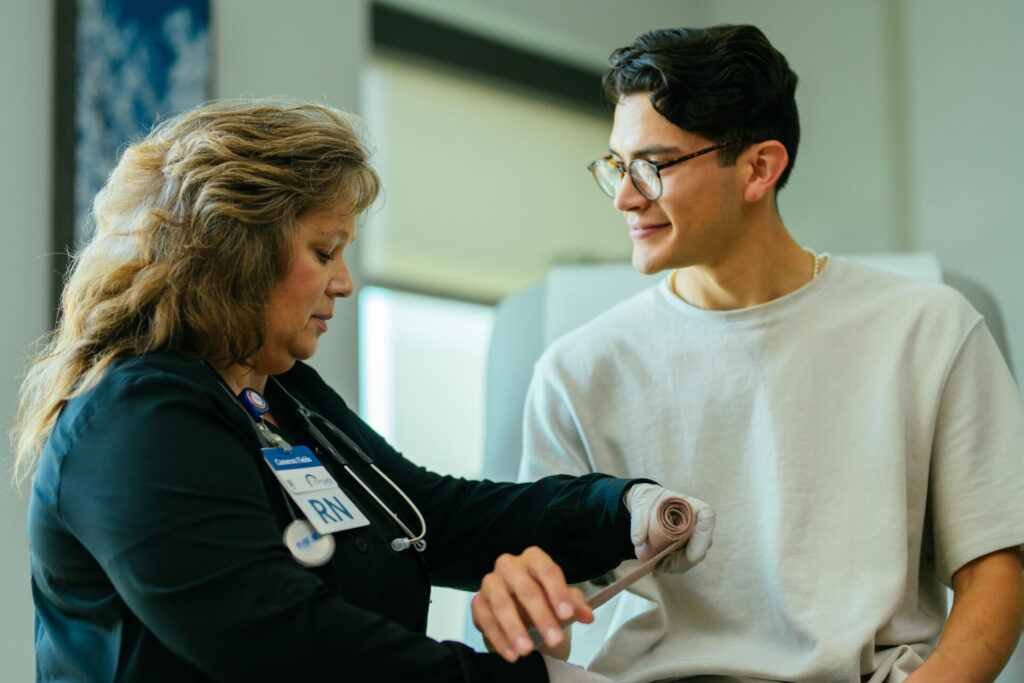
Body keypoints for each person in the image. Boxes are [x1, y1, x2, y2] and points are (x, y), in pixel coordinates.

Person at [13, 98, 701, 682]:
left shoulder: (282, 396)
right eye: (323, 251)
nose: (344, 282)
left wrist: (627, 511)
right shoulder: (137, 420)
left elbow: (435, 515)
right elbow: (282, 641)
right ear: (235, 253)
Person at [518, 24, 1024, 682]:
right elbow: (538, 598)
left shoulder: (929, 329)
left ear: (759, 167)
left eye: (651, 166)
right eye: (616, 165)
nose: (624, 196)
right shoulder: (575, 371)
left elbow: (997, 571)